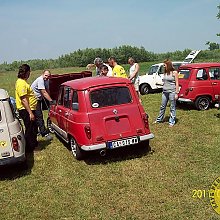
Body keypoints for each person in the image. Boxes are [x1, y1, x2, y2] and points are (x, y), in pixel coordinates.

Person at [15, 64, 38, 152]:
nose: (29, 74)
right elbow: (23, 99)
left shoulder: (23, 82)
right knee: (29, 129)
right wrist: (30, 113)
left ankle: (33, 143)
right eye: (29, 72)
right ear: (26, 72)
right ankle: (29, 147)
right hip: (26, 110)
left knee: (33, 127)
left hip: (29, 109)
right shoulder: (21, 83)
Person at [154, 59, 179, 127]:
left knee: (172, 107)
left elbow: (177, 84)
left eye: (164, 65)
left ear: (168, 65)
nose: (164, 66)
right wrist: (160, 84)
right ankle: (159, 119)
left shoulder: (174, 73)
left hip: (172, 92)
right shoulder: (165, 73)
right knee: (162, 106)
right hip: (165, 92)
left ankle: (172, 121)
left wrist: (176, 93)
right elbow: (165, 82)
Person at [31, 70, 53, 140]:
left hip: (39, 98)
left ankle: (35, 131)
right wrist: (51, 101)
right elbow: (43, 92)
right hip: (34, 100)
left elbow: (47, 90)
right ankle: (44, 133)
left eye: (48, 76)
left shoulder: (46, 81)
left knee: (36, 115)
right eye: (46, 75)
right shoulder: (40, 80)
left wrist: (49, 99)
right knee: (39, 115)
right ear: (42, 74)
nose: (47, 77)